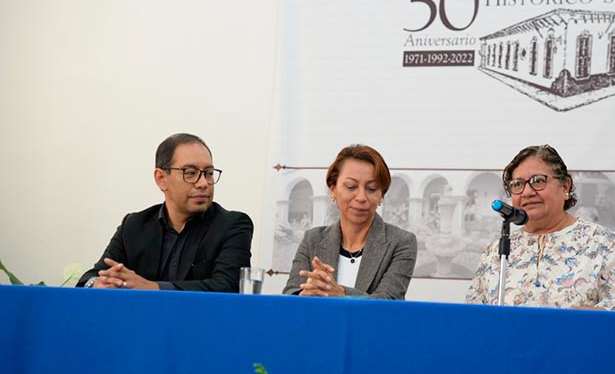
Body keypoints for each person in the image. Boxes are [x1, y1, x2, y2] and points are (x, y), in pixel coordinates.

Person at [465, 145, 615, 311]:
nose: (527, 192)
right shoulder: (495, 252)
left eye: (538, 181)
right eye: (517, 184)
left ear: (565, 186)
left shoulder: (605, 243)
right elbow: (472, 315)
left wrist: (588, 316)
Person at [77, 133, 253, 292]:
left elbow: (227, 285)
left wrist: (154, 287)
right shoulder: (134, 225)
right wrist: (99, 283)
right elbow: (89, 278)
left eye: (208, 173)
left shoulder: (232, 225)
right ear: (161, 179)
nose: (203, 183)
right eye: (190, 173)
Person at [283, 144, 417, 299]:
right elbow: (290, 293)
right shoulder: (312, 239)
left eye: (372, 188)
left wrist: (340, 293)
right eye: (351, 186)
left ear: (381, 195)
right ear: (333, 189)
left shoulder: (401, 242)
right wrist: (306, 293)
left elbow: (388, 302)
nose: (361, 197)